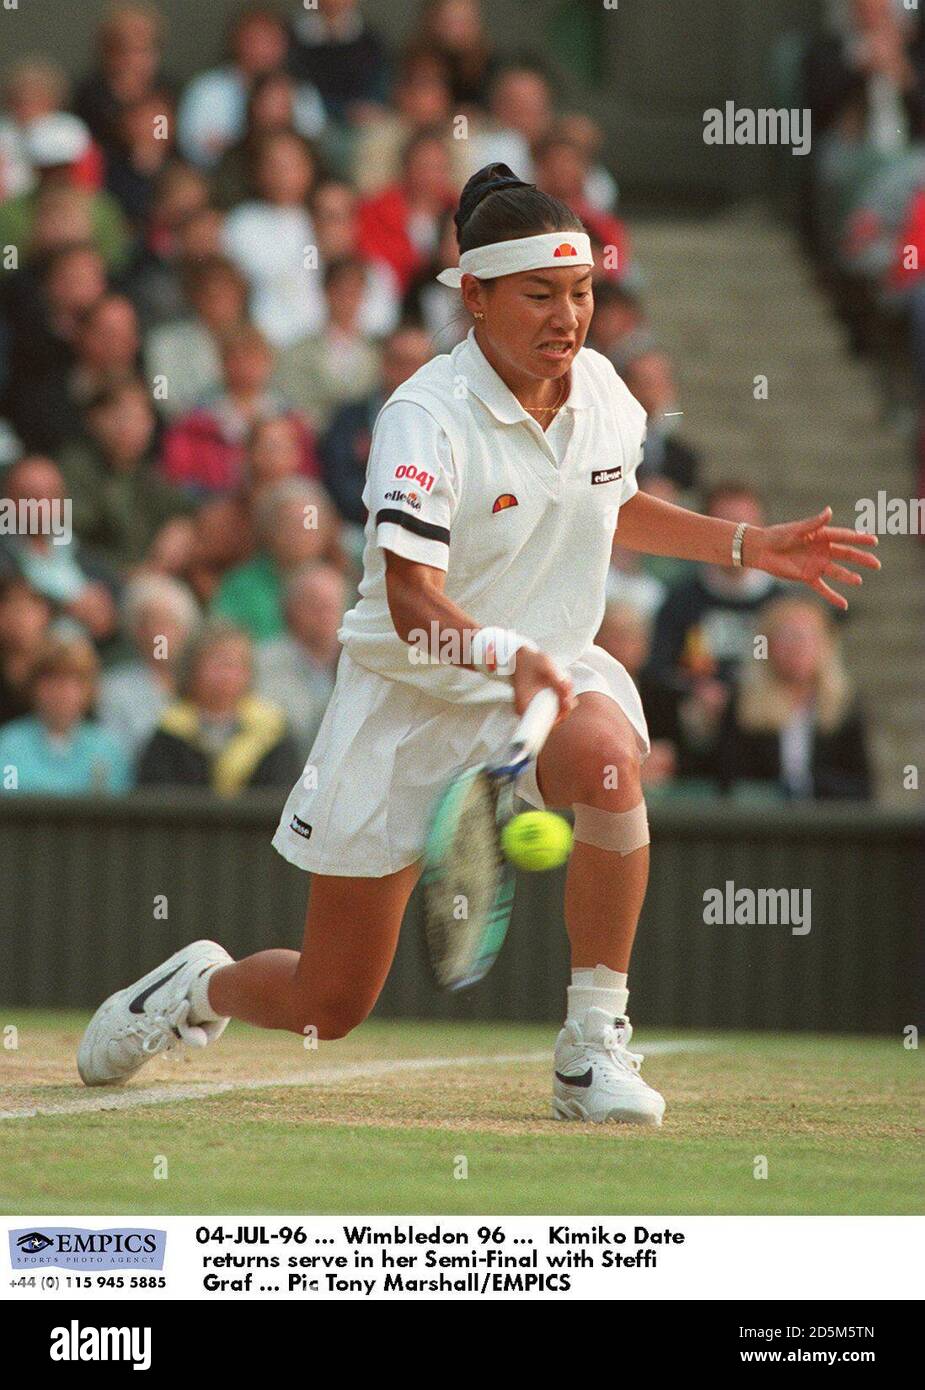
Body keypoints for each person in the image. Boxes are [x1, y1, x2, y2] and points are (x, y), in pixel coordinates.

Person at [78, 164, 880, 1125]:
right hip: (409, 700)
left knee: (610, 763)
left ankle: (589, 1049)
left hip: (541, 683)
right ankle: (194, 991)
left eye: (580, 292)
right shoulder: (422, 418)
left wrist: (747, 544)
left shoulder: (601, 389)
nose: (567, 317)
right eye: (540, 295)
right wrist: (505, 656)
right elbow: (413, 601)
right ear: (475, 297)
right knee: (326, 1006)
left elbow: (611, 502)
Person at [715, 595, 873, 800]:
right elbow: (729, 781)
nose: (798, 647)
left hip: (828, 824)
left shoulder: (845, 704)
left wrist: (807, 788)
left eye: (808, 637)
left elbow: (862, 787)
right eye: (788, 637)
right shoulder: (744, 703)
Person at [135, 619, 301, 794]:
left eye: (236, 664)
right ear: (191, 668)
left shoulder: (273, 732)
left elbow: (282, 797)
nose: (226, 674)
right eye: (217, 662)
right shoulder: (169, 733)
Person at [0, 632, 131, 794]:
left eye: (73, 682)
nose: (62, 692)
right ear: (33, 686)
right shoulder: (8, 746)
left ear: (88, 689)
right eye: (51, 681)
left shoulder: (108, 750)